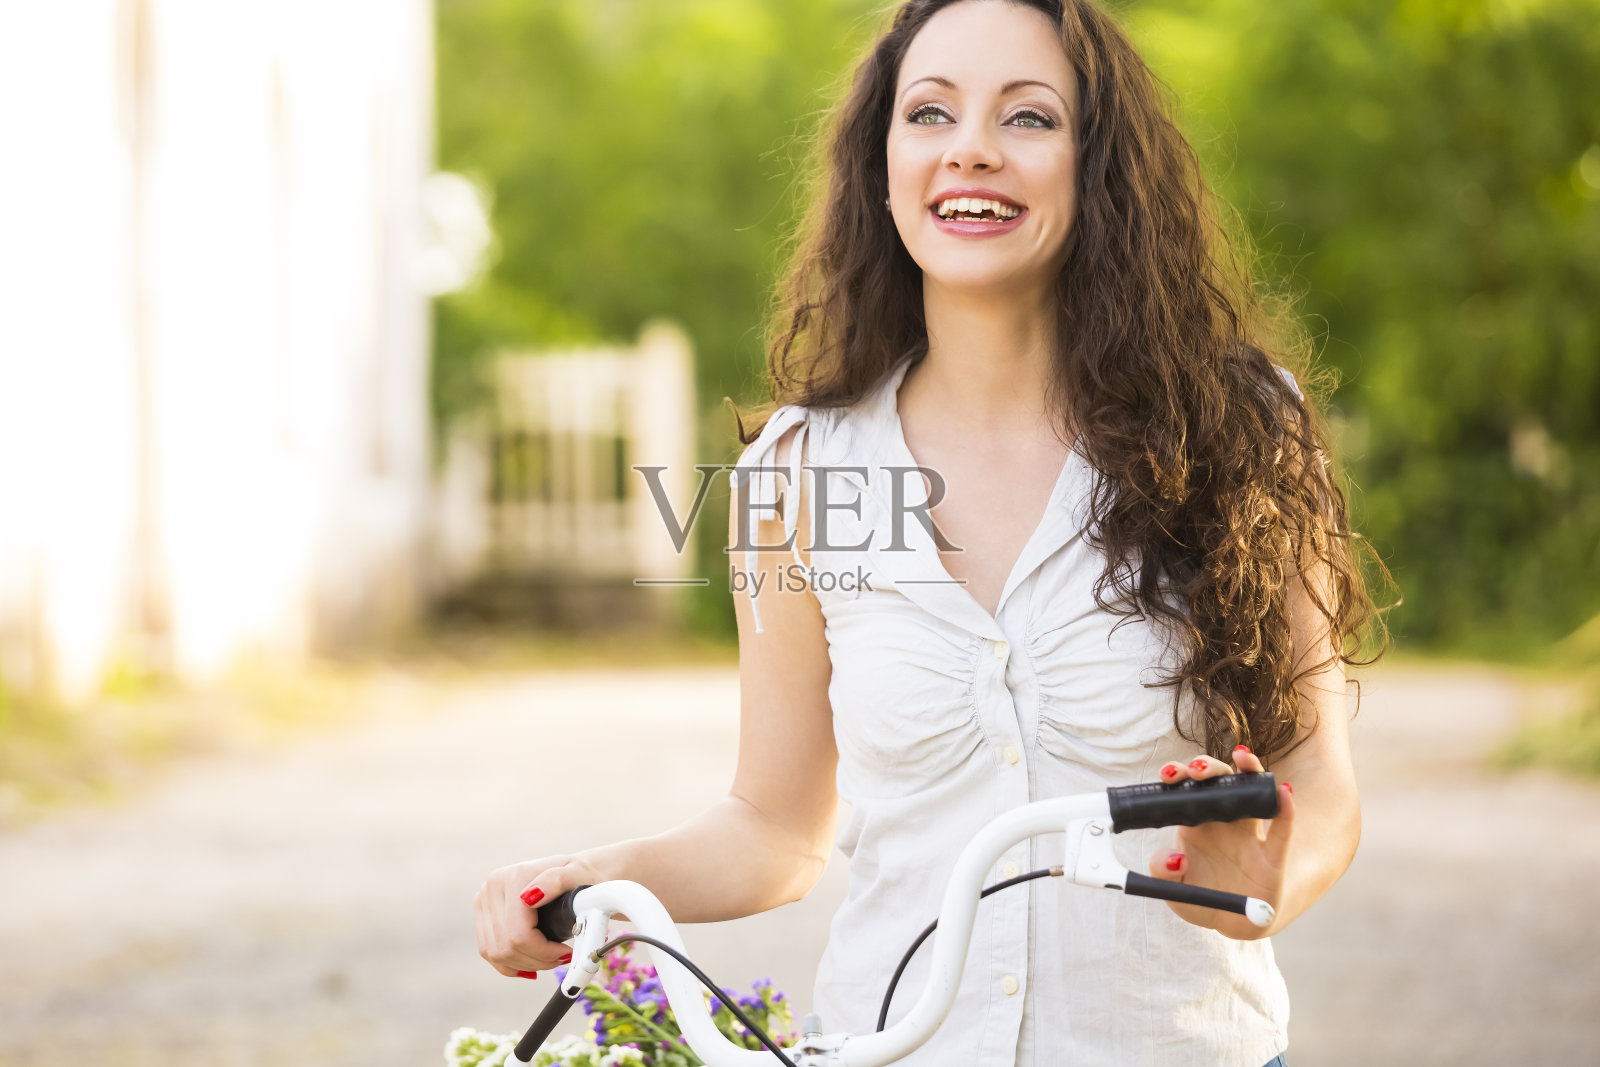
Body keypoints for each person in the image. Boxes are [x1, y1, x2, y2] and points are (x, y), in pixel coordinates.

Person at [474, 1, 1387, 1064]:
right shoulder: (794, 473)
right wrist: (593, 880)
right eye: (930, 113)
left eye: (1029, 117)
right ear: (884, 159)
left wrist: (1266, 881)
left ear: (1098, 166)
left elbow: (1317, 781)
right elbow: (774, 827)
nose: (972, 151)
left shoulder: (1242, 429)